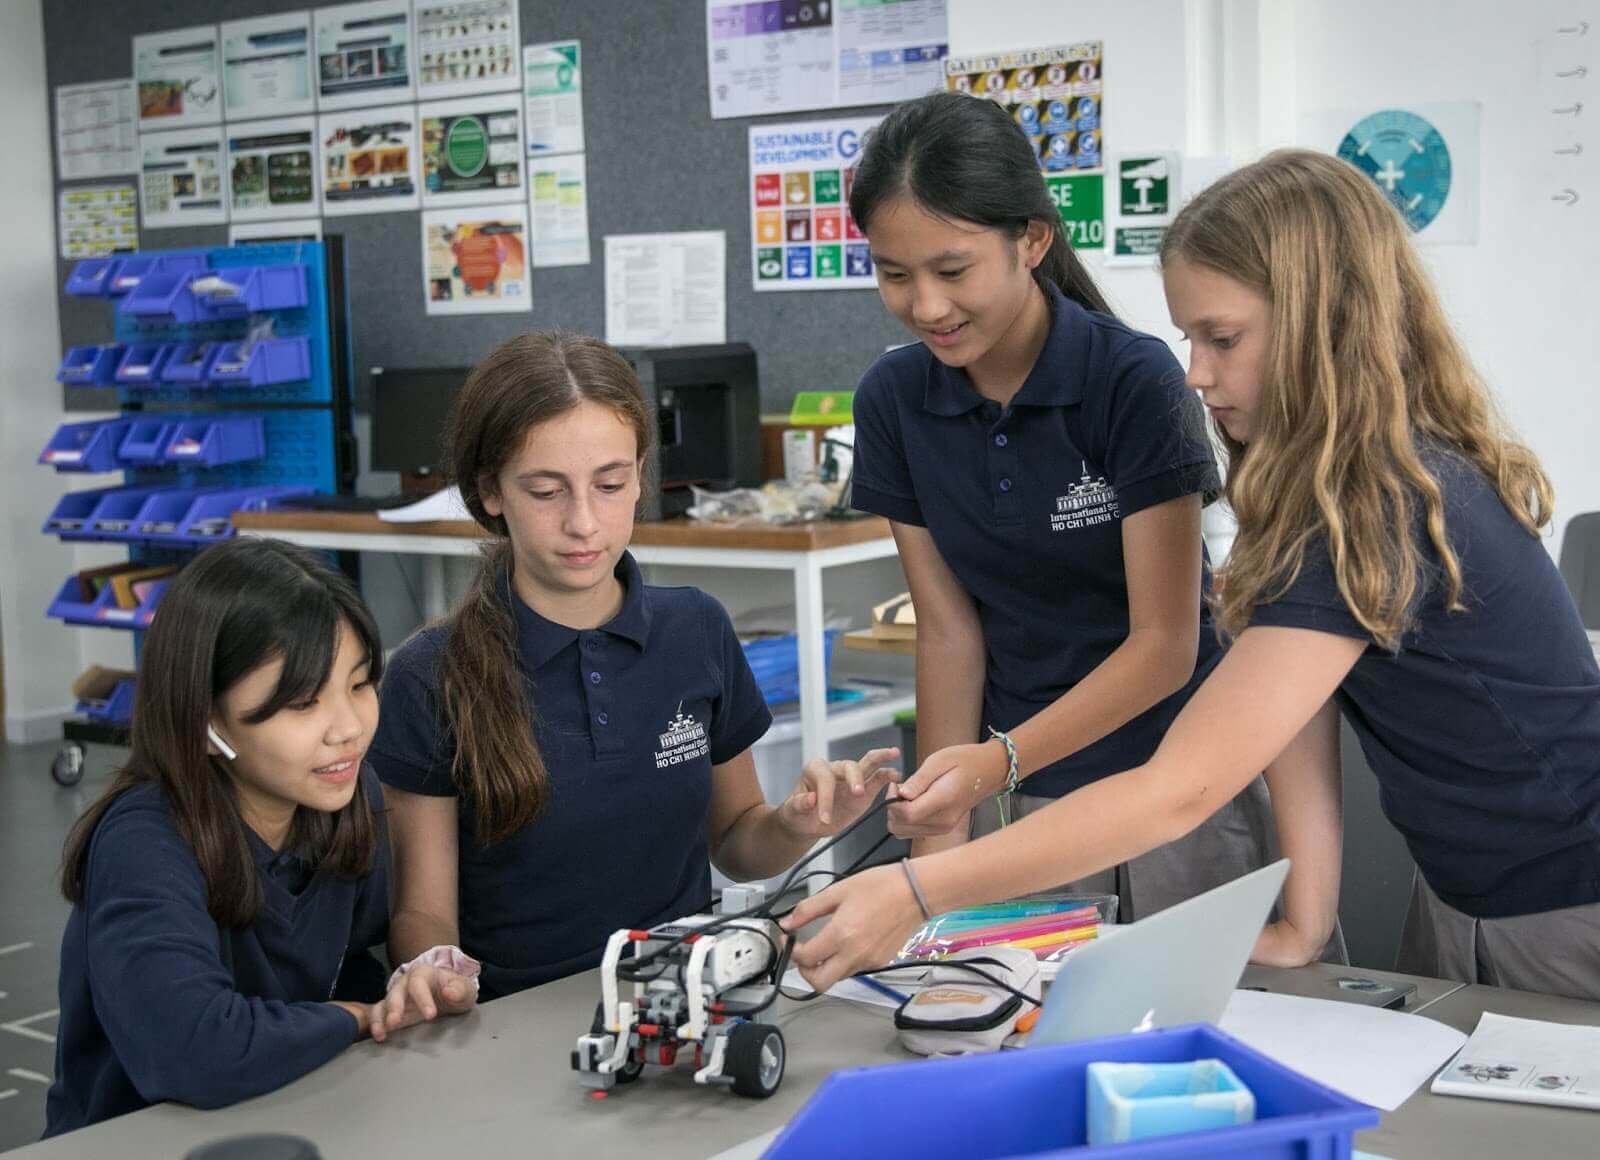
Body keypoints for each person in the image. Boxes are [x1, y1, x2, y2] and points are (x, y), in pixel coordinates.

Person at [784, 148, 1600, 1003]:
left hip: (1563, 897)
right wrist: (1306, 919)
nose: (1197, 374)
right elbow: (1295, 714)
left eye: (1223, 339)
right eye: (1189, 339)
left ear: (1327, 324)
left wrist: (915, 891)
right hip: (1464, 889)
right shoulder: (1327, 489)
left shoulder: (1383, 503)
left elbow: (1182, 790)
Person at [369, 331, 896, 1010]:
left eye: (610, 484)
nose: (584, 522)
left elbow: (739, 845)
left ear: (641, 475)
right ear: (489, 489)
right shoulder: (427, 675)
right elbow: (422, 913)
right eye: (546, 491)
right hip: (510, 1025)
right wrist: (430, 970)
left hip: (680, 1001)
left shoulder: (696, 629)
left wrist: (798, 823)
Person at [845, 89, 1273, 922]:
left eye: (952, 270)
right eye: (895, 275)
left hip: (1175, 794)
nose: (926, 305)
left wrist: (994, 763)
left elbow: (1164, 646)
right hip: (1021, 807)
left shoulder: (1135, 380)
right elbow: (949, 629)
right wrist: (936, 855)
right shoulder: (893, 400)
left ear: (1031, 239)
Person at [45, 539, 457, 1136]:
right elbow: (192, 1050)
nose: (347, 728)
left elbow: (354, 963)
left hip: (293, 1114)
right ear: (207, 718)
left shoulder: (344, 797)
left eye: (361, 684)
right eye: (302, 703)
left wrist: (408, 990)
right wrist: (354, 1019)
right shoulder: (145, 842)